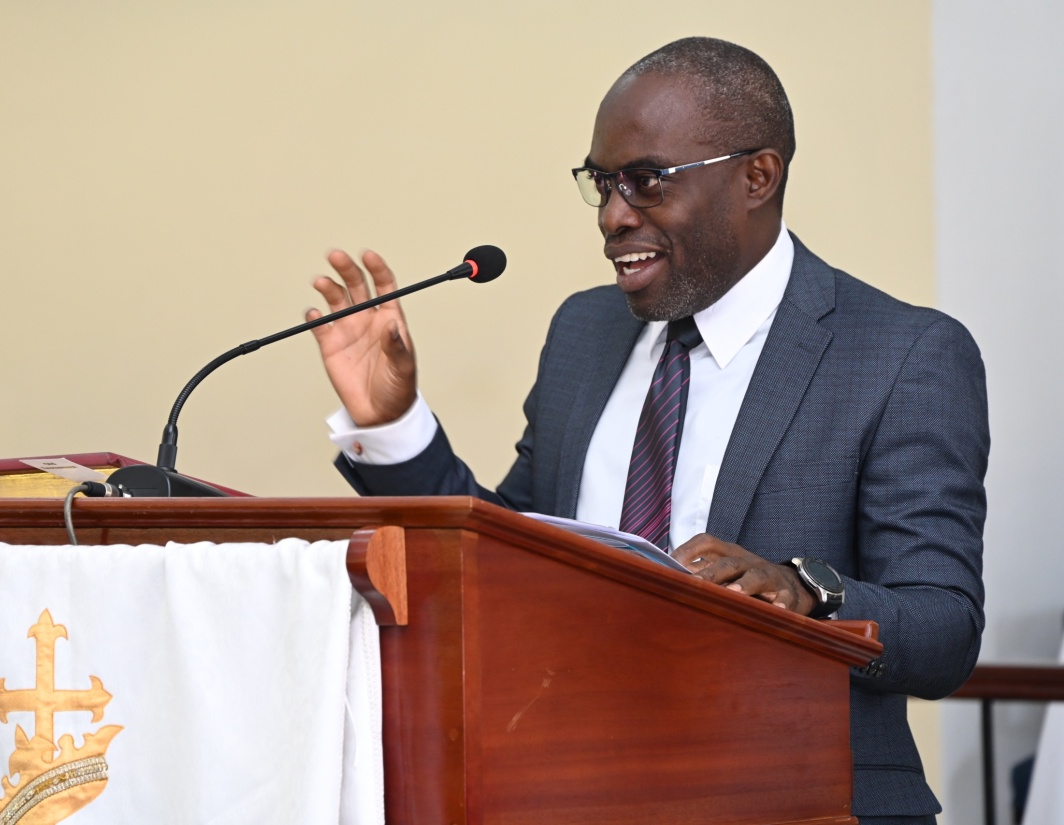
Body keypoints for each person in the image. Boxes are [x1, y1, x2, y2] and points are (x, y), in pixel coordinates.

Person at [306, 36, 987, 825]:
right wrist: (391, 424)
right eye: (601, 184)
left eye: (645, 181)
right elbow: (507, 549)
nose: (612, 216)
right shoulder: (583, 332)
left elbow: (942, 627)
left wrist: (802, 590)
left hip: (802, 801)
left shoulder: (901, 353)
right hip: (564, 791)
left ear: (756, 176)